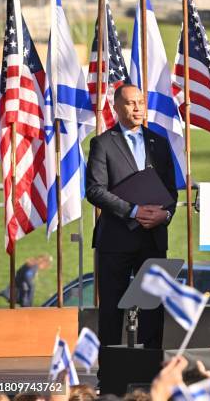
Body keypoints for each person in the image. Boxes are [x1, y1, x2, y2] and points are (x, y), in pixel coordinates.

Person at [86, 84, 177, 352]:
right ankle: (110, 377)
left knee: (153, 308)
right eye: (130, 103)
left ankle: (150, 372)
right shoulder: (102, 143)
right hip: (116, 239)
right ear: (116, 107)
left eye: (140, 101)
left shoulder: (159, 143)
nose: (137, 108)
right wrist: (133, 211)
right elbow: (94, 190)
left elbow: (171, 190)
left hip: (153, 237)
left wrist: (165, 213)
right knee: (112, 310)